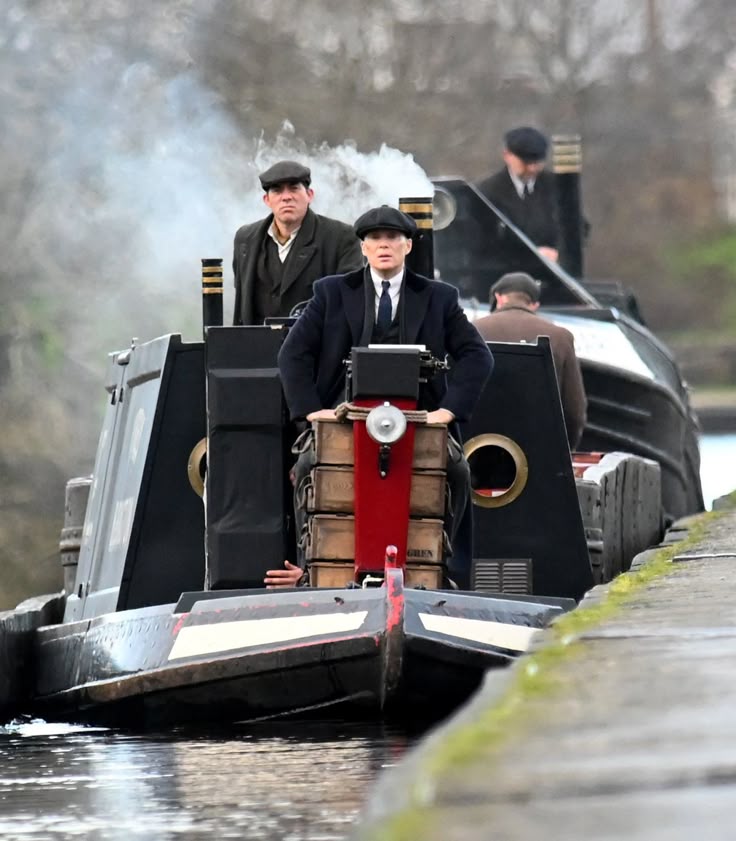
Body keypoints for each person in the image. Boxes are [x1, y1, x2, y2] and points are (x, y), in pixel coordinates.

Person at [266, 206, 494, 588]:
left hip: (420, 419)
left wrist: (448, 412)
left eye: (392, 238)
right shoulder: (331, 293)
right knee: (307, 468)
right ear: (364, 248)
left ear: (407, 246)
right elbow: (292, 354)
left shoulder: (439, 298)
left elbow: (477, 356)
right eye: (374, 239)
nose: (383, 245)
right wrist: (312, 413)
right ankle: (311, 570)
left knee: (457, 470)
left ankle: (444, 571)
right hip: (342, 416)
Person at [232, 160, 363, 326]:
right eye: (277, 190)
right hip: (256, 348)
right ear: (267, 200)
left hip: (315, 348)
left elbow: (349, 302)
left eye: (294, 188)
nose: (286, 197)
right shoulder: (245, 239)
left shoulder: (342, 237)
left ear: (310, 195)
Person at [473, 271, 587, 449]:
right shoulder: (560, 337)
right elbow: (574, 412)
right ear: (534, 304)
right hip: (539, 449)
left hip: (477, 447)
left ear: (499, 298)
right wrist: (564, 453)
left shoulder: (473, 330)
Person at [476, 126, 561, 263]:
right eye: (526, 162)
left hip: (554, 270)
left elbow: (578, 227)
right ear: (507, 156)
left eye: (537, 162)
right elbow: (483, 242)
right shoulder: (488, 192)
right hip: (507, 270)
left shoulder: (556, 186)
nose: (532, 169)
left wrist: (559, 252)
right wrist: (532, 255)